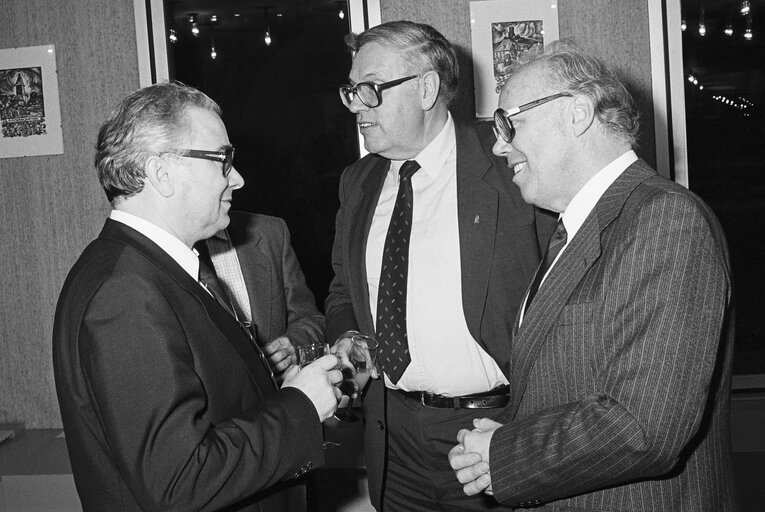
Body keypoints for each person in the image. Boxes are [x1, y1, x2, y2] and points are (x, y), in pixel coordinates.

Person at [448, 41, 737, 511]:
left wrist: (505, 454)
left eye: (508, 123)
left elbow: (645, 426)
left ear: (577, 113)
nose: (498, 145)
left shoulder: (665, 219)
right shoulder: (577, 228)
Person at [52, 81, 342, 512]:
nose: (238, 179)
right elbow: (179, 480)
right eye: (223, 160)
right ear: (161, 173)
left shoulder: (152, 271)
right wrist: (300, 405)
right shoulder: (124, 292)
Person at [325, 20, 553, 511]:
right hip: (393, 434)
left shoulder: (507, 160)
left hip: (494, 427)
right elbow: (344, 289)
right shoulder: (358, 181)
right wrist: (349, 336)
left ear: (426, 87)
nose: (357, 107)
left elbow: (565, 292)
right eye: (351, 91)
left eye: (370, 90)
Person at [199, 210, 325, 379]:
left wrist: (294, 345)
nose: (238, 182)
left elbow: (311, 319)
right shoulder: (158, 254)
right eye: (223, 180)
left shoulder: (269, 232)